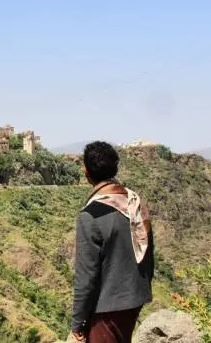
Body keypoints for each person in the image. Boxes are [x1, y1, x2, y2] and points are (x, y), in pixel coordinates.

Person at [71, 141, 154, 342]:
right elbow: (148, 250)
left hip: (107, 307)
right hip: (135, 297)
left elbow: (86, 276)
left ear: (86, 171)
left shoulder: (90, 216)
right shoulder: (134, 201)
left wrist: (78, 321)